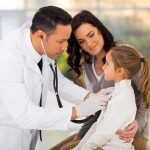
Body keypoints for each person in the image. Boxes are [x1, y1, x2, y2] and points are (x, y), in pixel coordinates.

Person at [0, 6, 112, 150]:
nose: (65, 47)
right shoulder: (7, 57)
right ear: (40, 36)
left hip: (28, 135)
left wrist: (89, 96)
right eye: (61, 42)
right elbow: (25, 115)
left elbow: (58, 83)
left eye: (67, 40)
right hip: (7, 137)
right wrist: (78, 111)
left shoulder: (43, 45)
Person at [50, 11, 148, 150]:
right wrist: (82, 134)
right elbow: (97, 108)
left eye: (91, 35)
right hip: (103, 128)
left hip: (126, 134)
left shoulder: (123, 57)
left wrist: (138, 122)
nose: (89, 44)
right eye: (82, 41)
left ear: (100, 30)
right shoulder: (86, 65)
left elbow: (147, 97)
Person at [73, 44, 150, 150]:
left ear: (120, 71)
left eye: (107, 64)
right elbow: (99, 125)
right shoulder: (118, 92)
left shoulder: (121, 99)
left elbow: (103, 134)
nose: (103, 67)